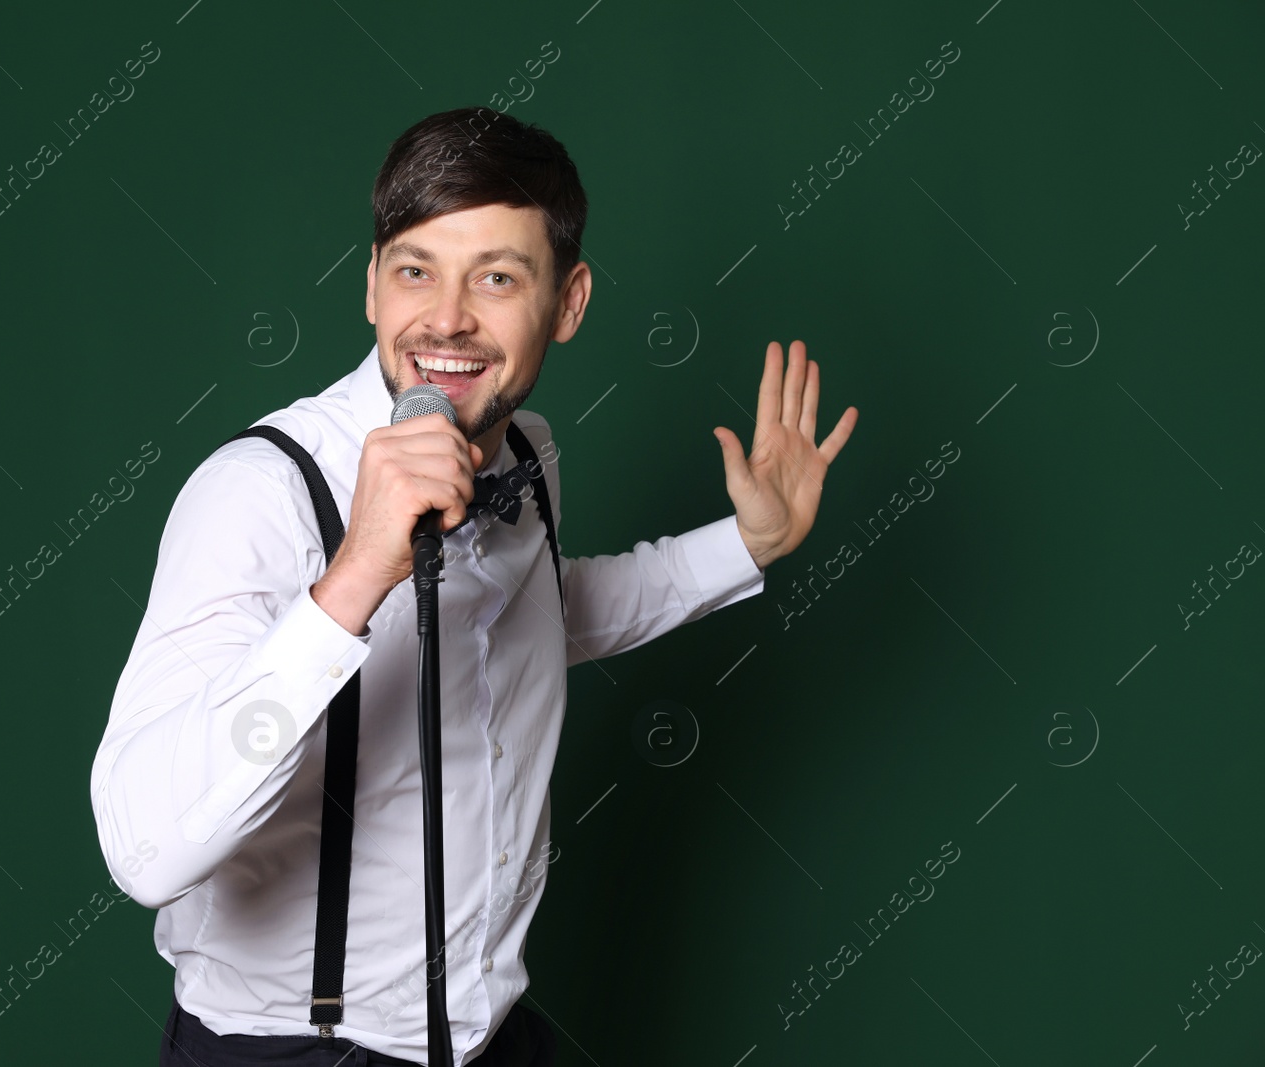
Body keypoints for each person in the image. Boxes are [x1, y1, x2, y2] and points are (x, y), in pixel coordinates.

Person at [90, 106, 857, 1067]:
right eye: (415, 270)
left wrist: (748, 544)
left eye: (495, 277)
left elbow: (538, 614)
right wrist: (357, 574)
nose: (446, 317)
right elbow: (147, 850)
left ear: (568, 303)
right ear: (370, 286)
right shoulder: (261, 492)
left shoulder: (525, 453)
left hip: (488, 1034)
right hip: (295, 1050)